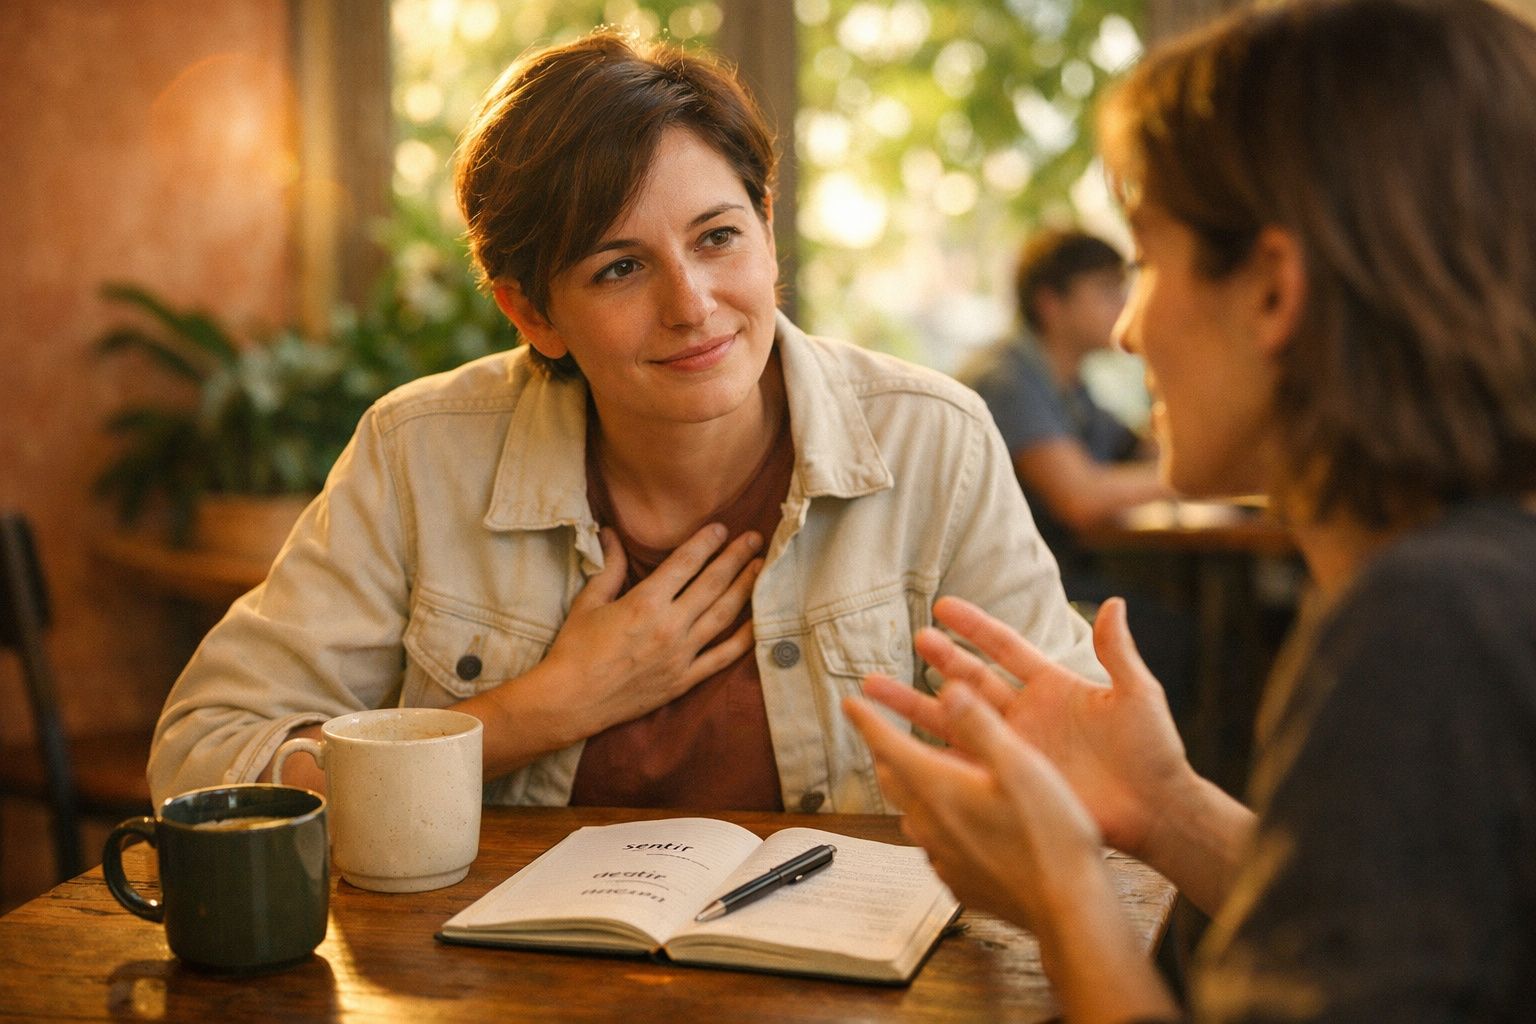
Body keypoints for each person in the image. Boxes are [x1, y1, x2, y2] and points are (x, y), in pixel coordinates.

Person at [147, 30, 1103, 813]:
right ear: (533, 313)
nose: (692, 305)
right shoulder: (420, 455)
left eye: (717, 237)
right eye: (619, 267)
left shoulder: (933, 440)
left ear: (767, 229)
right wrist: (536, 712)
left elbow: (1073, 755)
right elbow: (205, 751)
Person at [844, 0, 1536, 1020]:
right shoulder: (1481, 583)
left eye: (1148, 260)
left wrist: (1060, 890)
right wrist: (1165, 807)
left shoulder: (1425, 628)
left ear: (1273, 293)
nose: (1128, 330)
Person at [958, 230, 1191, 715]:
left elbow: (1138, 452)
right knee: (1176, 640)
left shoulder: (1066, 383)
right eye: (1107, 290)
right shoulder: (1007, 379)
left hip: (1050, 575)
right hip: (994, 596)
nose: (1125, 305)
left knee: (1180, 621)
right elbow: (1080, 498)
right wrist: (1193, 473)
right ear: (1051, 303)